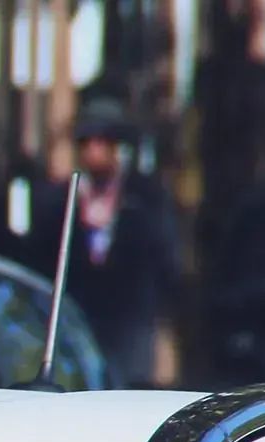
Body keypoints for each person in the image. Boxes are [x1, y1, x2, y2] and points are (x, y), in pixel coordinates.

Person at [25, 95, 180, 386]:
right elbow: (41, 261)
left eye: (102, 143)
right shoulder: (61, 200)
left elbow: (166, 259)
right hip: (77, 325)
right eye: (87, 143)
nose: (94, 152)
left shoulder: (145, 197)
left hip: (130, 326)